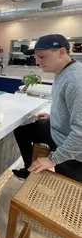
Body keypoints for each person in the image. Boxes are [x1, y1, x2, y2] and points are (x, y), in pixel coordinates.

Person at [13, 34, 82, 183]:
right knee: (21, 132)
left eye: (42, 57)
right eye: (36, 57)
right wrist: (54, 117)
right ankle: (29, 169)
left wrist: (52, 160)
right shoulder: (62, 71)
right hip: (57, 130)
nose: (37, 62)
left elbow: (80, 133)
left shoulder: (76, 81)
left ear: (62, 52)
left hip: (73, 148)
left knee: (67, 193)